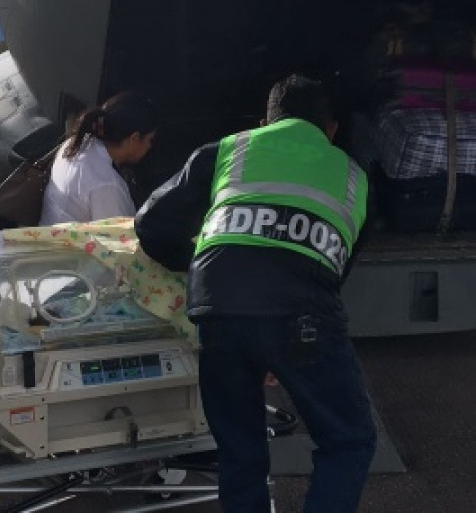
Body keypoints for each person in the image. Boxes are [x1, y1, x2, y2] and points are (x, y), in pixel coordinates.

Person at [135, 74, 376, 512]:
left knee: (240, 451)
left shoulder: (228, 150)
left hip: (218, 310)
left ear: (266, 120)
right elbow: (336, 265)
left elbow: (151, 223)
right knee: (349, 440)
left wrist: (196, 263)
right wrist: (278, 339)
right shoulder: (354, 178)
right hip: (303, 315)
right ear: (331, 129)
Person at [39, 91, 158, 225]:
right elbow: (119, 239)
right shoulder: (106, 186)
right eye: (150, 140)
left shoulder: (78, 141)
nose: (149, 146)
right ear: (134, 139)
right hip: (69, 243)